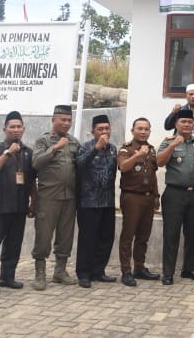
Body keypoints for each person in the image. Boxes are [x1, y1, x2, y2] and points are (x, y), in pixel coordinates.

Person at [0, 111, 35, 295]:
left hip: (19, 207)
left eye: (19, 127)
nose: (16, 130)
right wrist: (7, 153)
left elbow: (32, 180)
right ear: (4, 129)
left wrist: (33, 201)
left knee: (14, 244)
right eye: (12, 127)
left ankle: (7, 277)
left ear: (23, 129)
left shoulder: (28, 153)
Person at [32, 104, 81, 290]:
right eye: (63, 120)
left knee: (66, 236)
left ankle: (60, 271)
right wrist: (55, 148)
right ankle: (40, 274)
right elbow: (36, 163)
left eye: (69, 120)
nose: (67, 123)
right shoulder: (43, 141)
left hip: (69, 197)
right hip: (48, 197)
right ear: (53, 120)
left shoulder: (74, 142)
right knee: (43, 236)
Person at [157, 109, 194, 285]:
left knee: (193, 233)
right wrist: (172, 146)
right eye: (183, 122)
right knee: (171, 234)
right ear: (176, 124)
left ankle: (189, 269)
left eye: (189, 122)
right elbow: (159, 162)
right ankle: (168, 272)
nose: (186, 125)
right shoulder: (168, 141)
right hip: (174, 194)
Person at [75, 114, 118, 288]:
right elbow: (79, 164)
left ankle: (98, 271)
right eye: (100, 129)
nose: (104, 131)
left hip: (108, 201)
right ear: (93, 131)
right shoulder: (85, 147)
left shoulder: (113, 149)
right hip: (89, 202)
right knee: (87, 240)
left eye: (107, 128)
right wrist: (96, 148)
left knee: (105, 238)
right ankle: (84, 273)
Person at [117, 118, 160, 287]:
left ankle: (139, 267)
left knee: (144, 235)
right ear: (132, 130)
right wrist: (138, 155)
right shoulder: (126, 149)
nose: (143, 132)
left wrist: (156, 195)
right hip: (132, 197)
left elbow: (153, 174)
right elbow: (123, 167)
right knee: (128, 235)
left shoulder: (151, 149)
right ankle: (126, 271)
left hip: (148, 197)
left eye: (146, 129)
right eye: (140, 128)